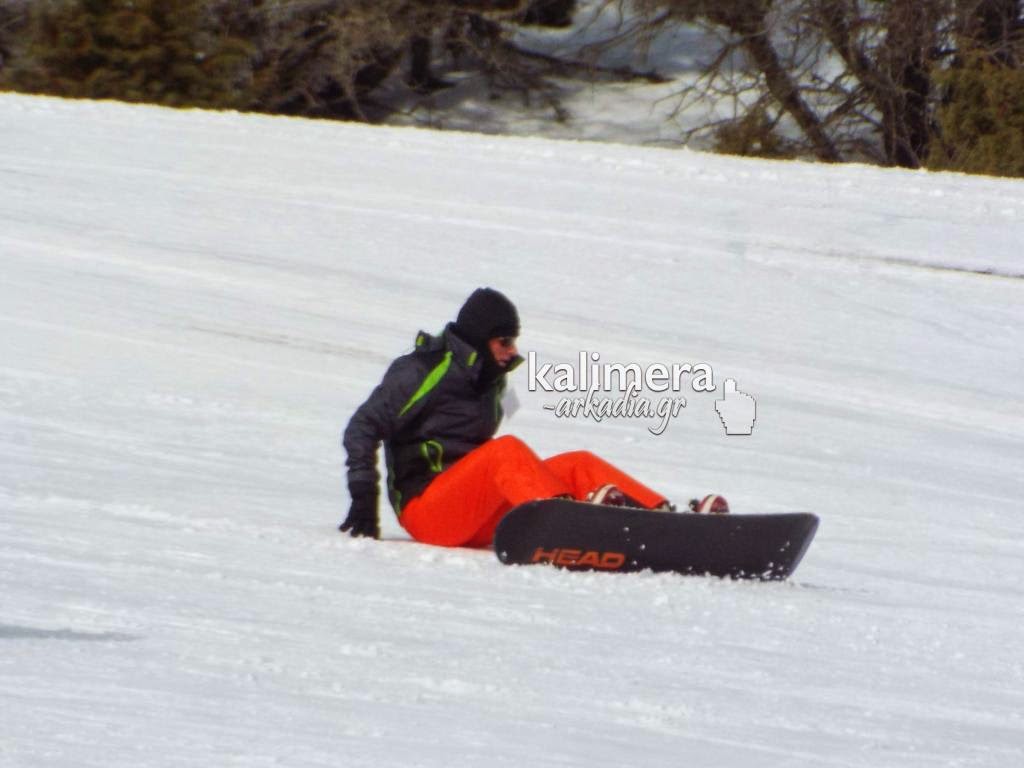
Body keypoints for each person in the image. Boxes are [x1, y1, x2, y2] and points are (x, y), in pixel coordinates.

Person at [340, 287, 727, 546]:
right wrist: (364, 498)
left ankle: (667, 526)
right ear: (479, 339)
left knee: (579, 464)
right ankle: (569, 524)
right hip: (427, 511)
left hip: (472, 510)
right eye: (504, 341)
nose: (512, 351)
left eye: (514, 341)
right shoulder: (421, 370)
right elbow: (362, 427)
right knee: (504, 451)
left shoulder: (491, 382)